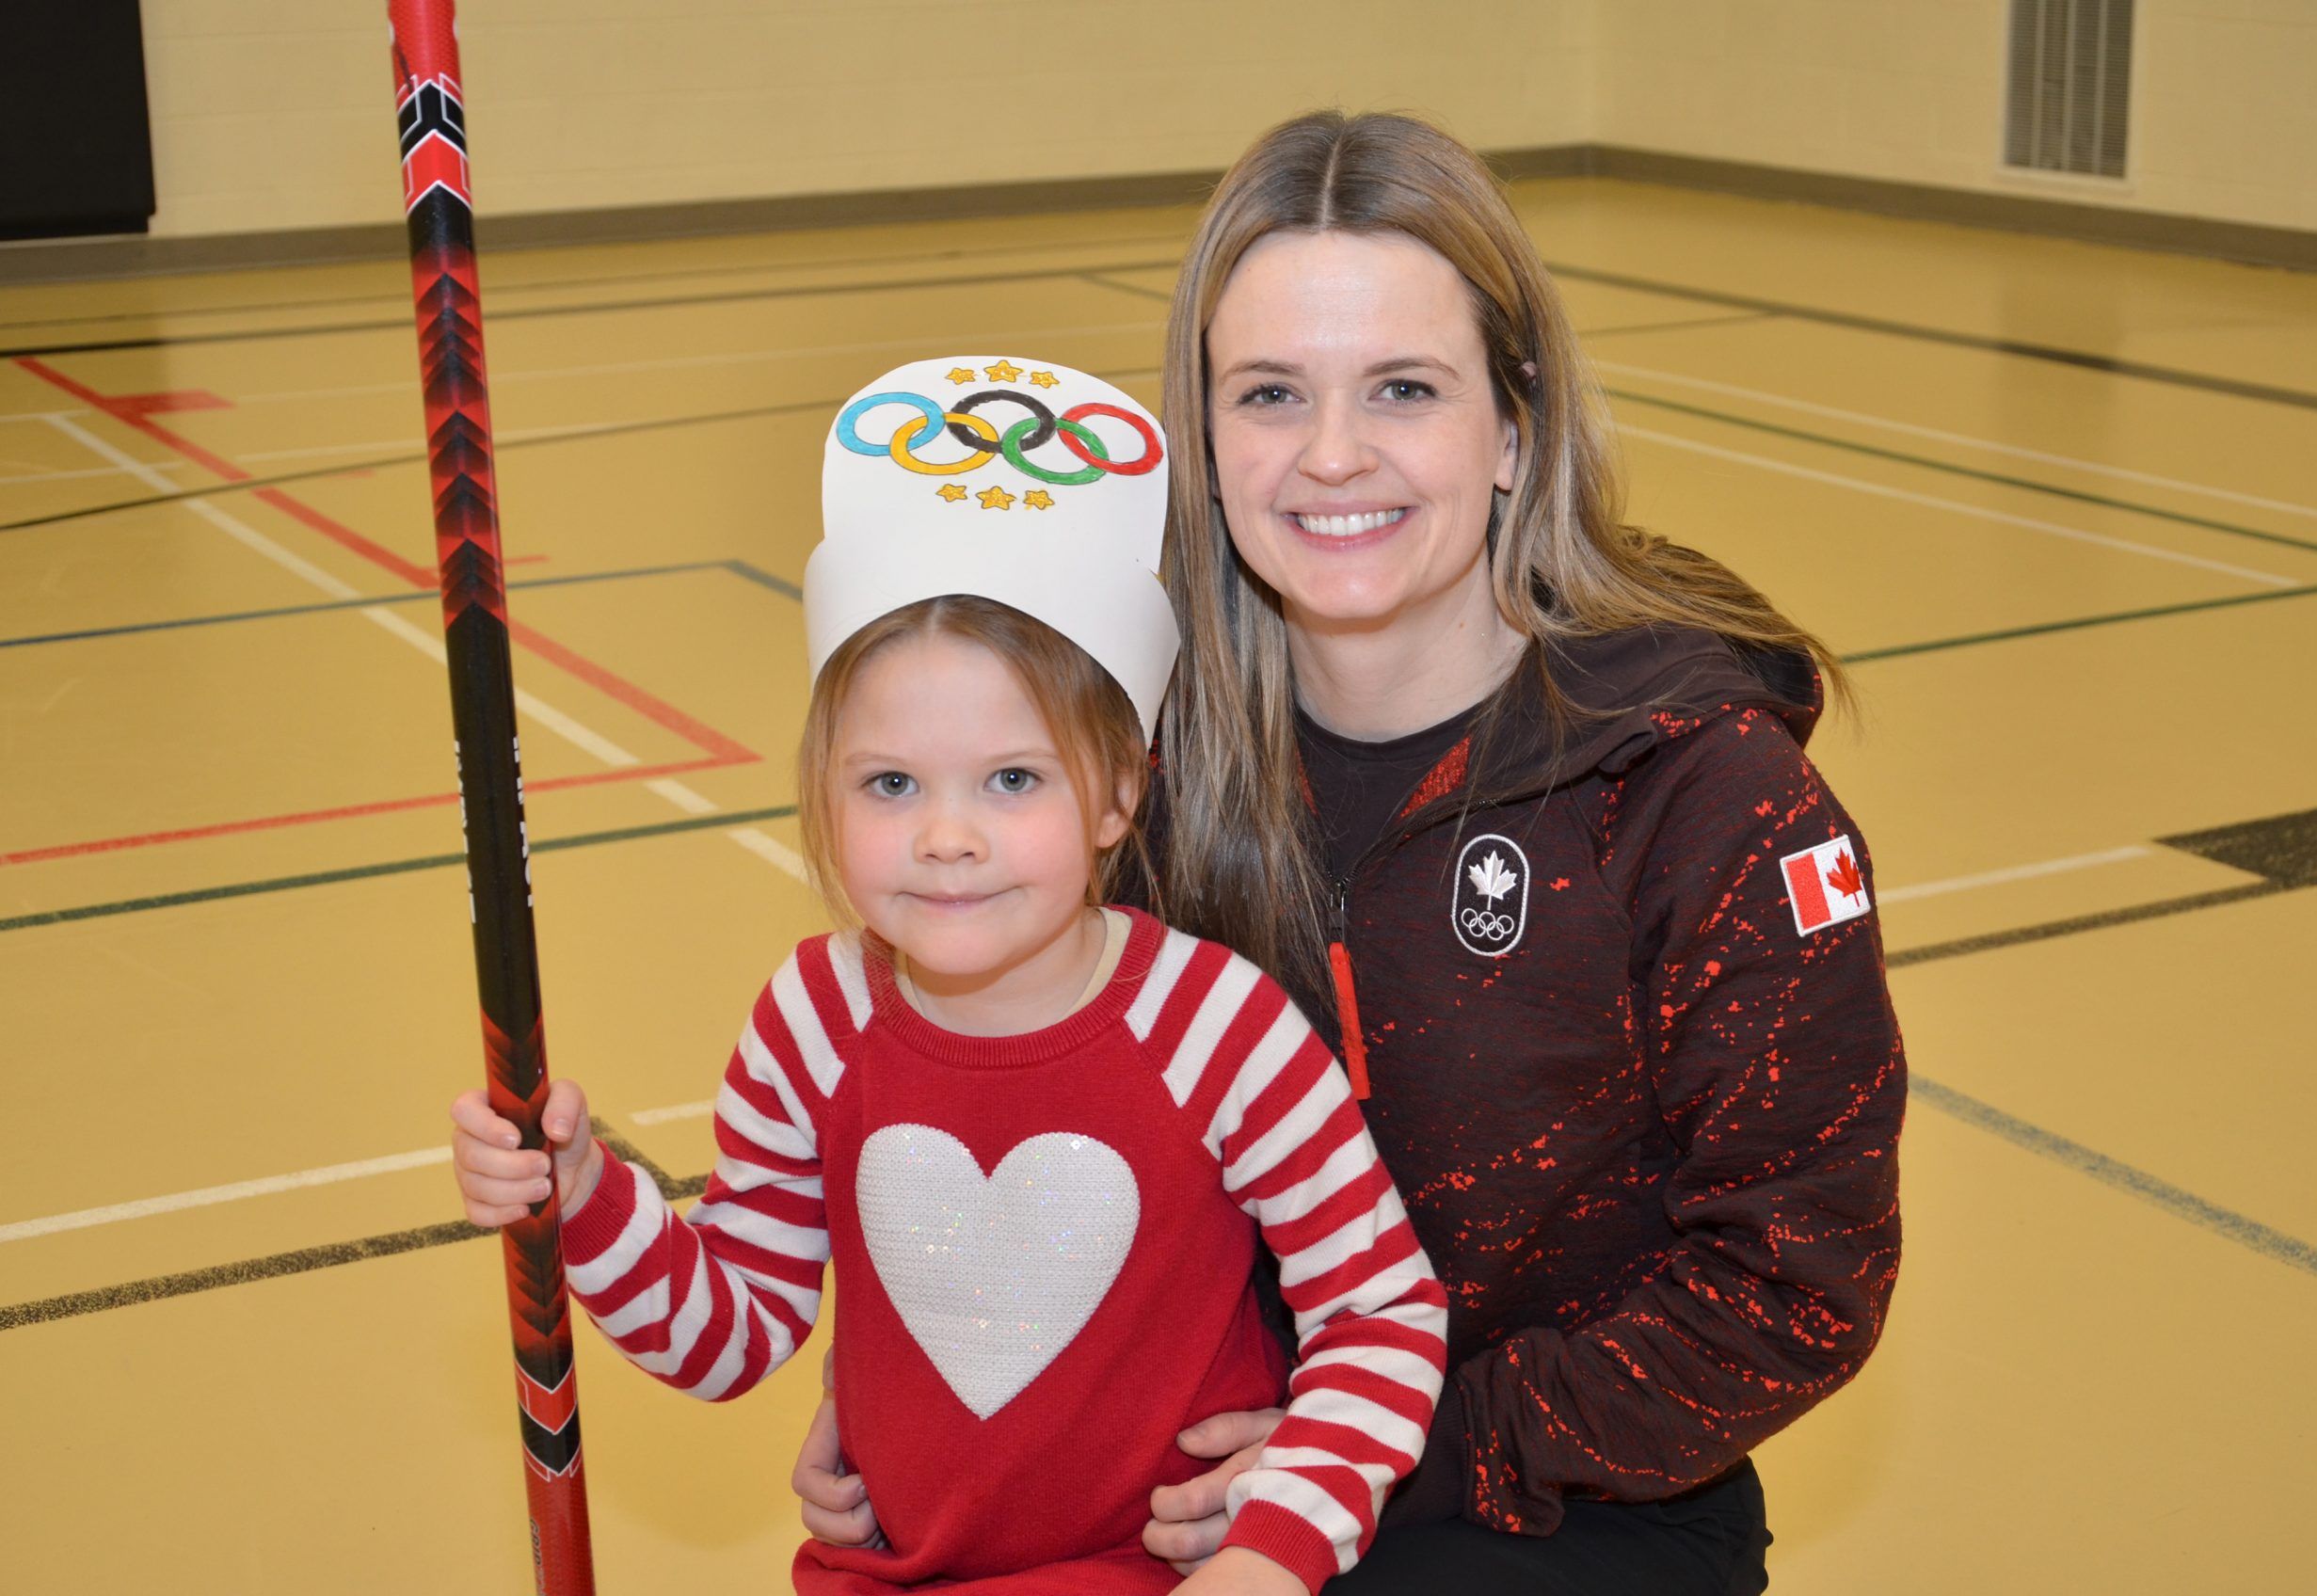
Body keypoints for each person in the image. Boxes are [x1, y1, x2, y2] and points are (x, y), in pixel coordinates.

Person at [799, 115, 1908, 1596]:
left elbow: (1793, 1289)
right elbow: (1030, 1084)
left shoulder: (1701, 791)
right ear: (1202, 442)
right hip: (1194, 1460)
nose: (1331, 456)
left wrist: (1410, 1450)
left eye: (1403, 388)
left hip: (1562, 1495)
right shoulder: (1142, 771)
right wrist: (957, 1370)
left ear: (1513, 430)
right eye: (1268, 394)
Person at [449, 357, 1448, 1596]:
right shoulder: (812, 1020)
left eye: (1012, 780)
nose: (946, 837)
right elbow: (726, 1338)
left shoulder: (1219, 1027)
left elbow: (1382, 1316)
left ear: (1119, 792)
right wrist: (587, 1193)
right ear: (825, 791)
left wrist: (1274, 1552)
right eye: (890, 784)